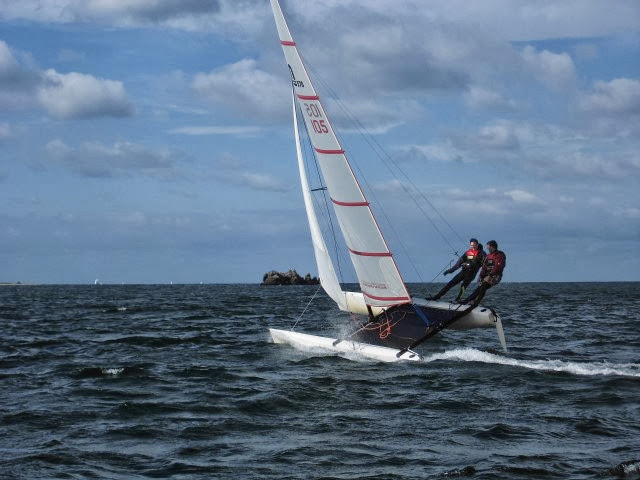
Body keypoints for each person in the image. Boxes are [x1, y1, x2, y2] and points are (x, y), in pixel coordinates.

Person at [428, 238, 485, 302]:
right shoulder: (468, 252)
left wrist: (481, 275)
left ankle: (458, 300)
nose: (473, 247)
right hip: (463, 272)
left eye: (474, 245)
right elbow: (459, 263)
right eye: (471, 245)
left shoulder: (482, 253)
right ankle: (436, 297)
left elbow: (482, 265)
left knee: (463, 286)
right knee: (450, 284)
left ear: (477, 244)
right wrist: (450, 270)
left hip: (471, 274)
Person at [459, 240, 506, 305]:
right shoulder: (489, 256)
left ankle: (470, 301)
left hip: (495, 276)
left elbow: (498, 266)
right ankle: (472, 301)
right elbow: (484, 267)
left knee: (483, 287)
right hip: (487, 275)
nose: (487, 248)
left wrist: (491, 274)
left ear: (492, 247)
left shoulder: (499, 255)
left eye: (488, 247)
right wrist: (481, 275)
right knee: (481, 287)